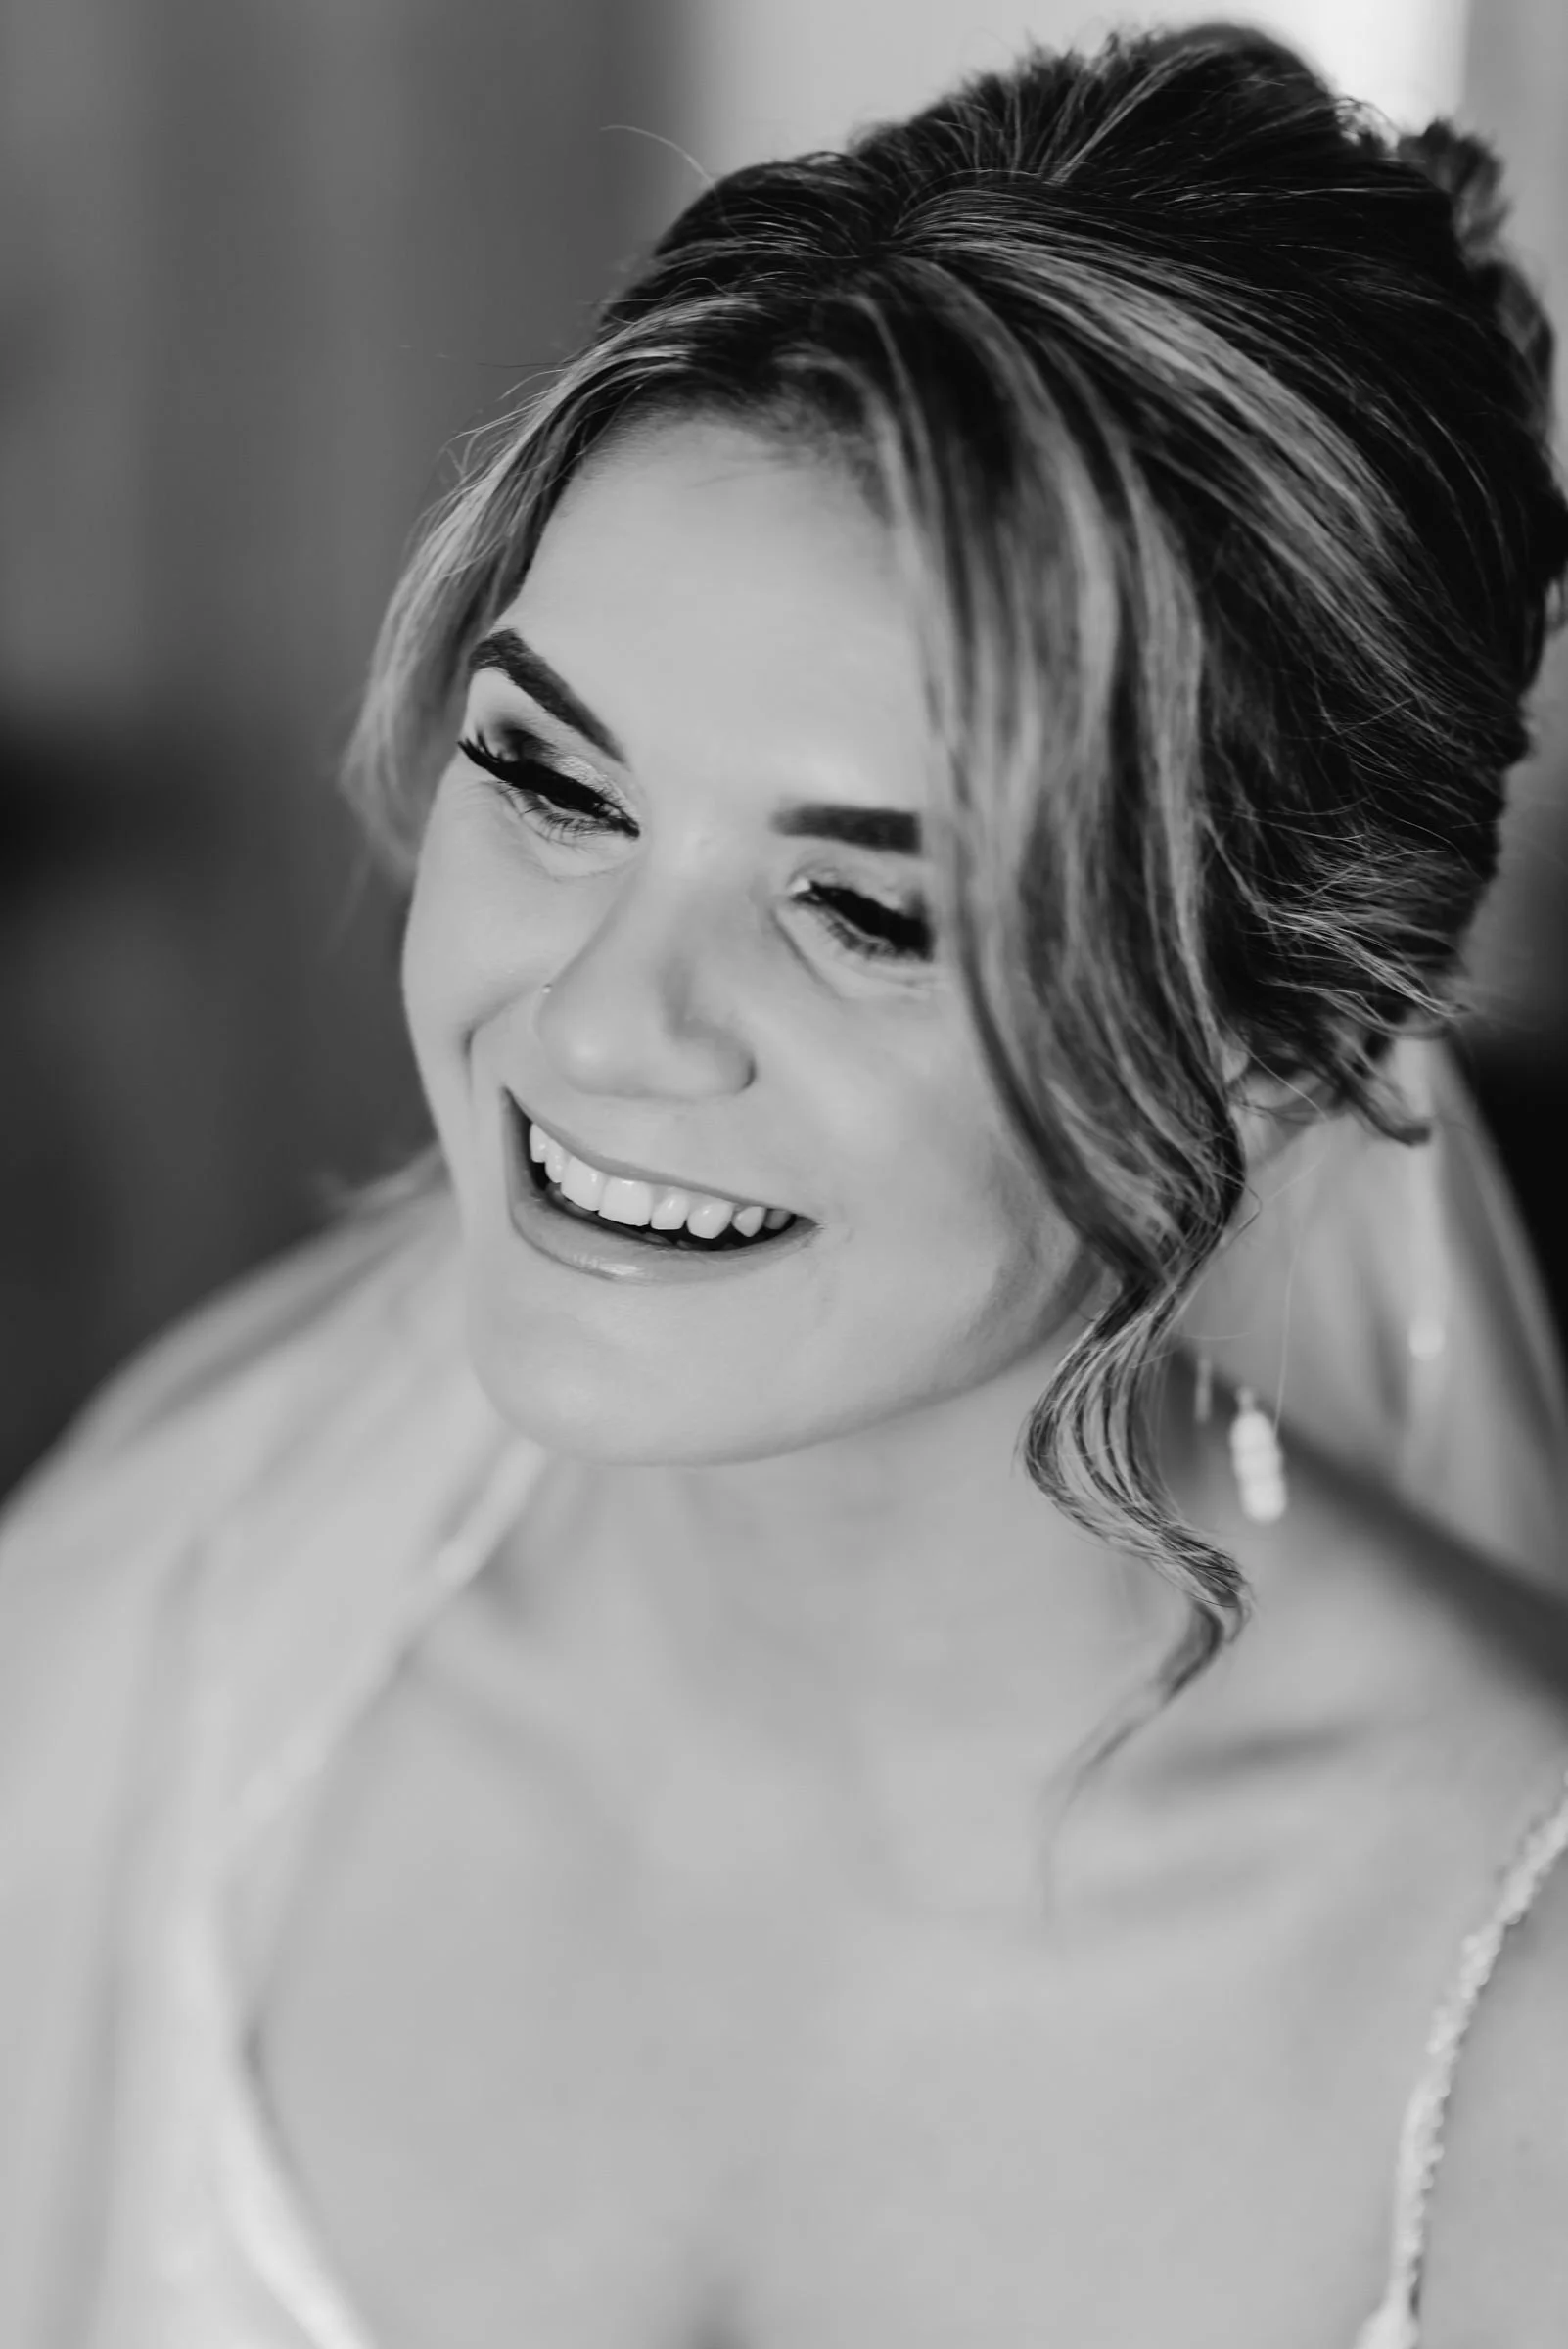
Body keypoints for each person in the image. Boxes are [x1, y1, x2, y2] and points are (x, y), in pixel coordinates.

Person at [3, 23, 1567, 2348]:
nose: (603, 1023)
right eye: (556, 780)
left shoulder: (1516, 2021)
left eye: (867, 911)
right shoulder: (154, 1657)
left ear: (1277, 1044)